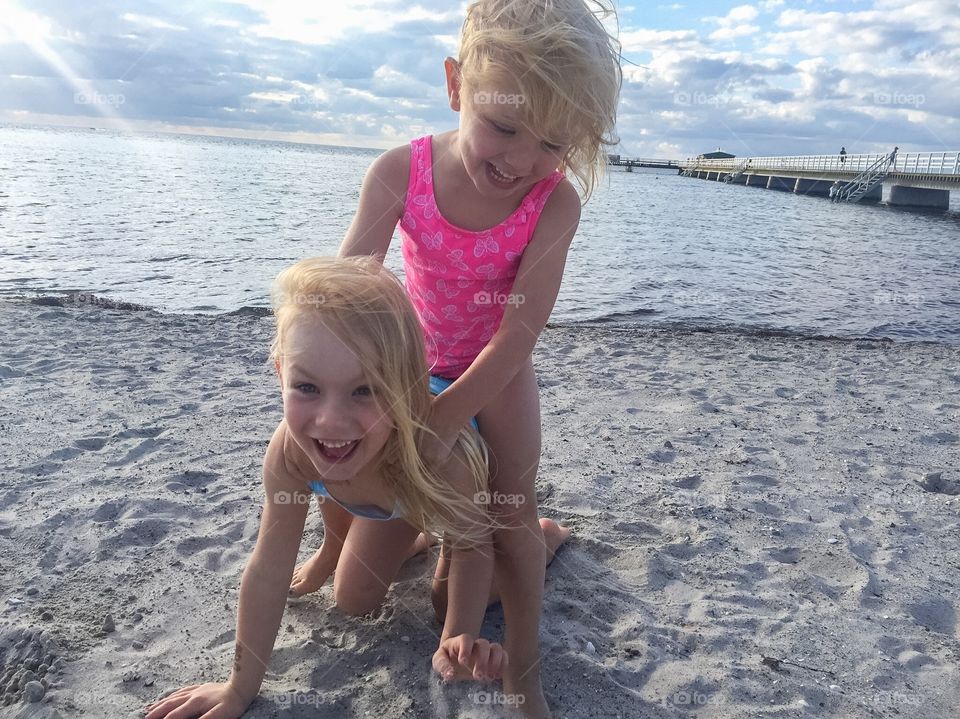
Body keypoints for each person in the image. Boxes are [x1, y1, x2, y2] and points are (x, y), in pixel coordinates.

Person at [314, 1, 621, 716]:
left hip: (497, 371)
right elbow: (347, 293)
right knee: (357, 598)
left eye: (551, 143)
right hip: (412, 364)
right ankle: (391, 537)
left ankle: (527, 657)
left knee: (507, 517)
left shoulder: (554, 205)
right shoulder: (401, 170)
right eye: (504, 125)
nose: (520, 160)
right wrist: (333, 364)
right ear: (457, 86)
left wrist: (447, 415)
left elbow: (517, 335)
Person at [145, 256, 509, 719]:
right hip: (389, 497)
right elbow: (268, 568)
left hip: (442, 492)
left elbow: (474, 543)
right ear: (280, 372)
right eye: (307, 388)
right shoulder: (292, 450)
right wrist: (238, 688)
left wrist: (458, 634)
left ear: (405, 387)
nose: (330, 420)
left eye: (364, 390)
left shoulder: (442, 452)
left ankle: (545, 536)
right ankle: (414, 539)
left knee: (443, 602)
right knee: (353, 598)